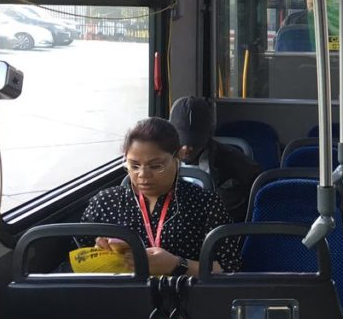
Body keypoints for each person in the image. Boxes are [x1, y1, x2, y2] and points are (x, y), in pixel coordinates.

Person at [82, 117, 241, 275]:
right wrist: (97, 253)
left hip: (184, 296)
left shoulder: (205, 204)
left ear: (177, 157)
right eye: (134, 165)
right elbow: (76, 258)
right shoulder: (104, 203)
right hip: (121, 296)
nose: (143, 175)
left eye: (156, 166)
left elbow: (229, 267)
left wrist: (178, 265)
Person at [169, 96, 261, 224]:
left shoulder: (238, 167)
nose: (187, 148)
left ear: (207, 137)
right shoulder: (156, 163)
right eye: (181, 141)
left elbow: (232, 216)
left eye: (195, 143)